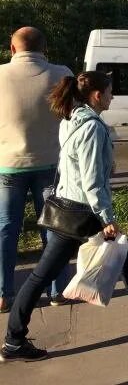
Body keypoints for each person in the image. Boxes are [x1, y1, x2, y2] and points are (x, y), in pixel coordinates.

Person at [0, 72, 128, 362]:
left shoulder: (70, 118)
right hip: (85, 212)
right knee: (118, 263)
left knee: (50, 274)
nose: (112, 96)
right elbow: (92, 182)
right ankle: (13, 340)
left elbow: (75, 165)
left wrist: (106, 164)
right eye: (109, 92)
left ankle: (14, 339)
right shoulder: (92, 127)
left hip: (68, 206)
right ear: (96, 96)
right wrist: (107, 218)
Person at [0, 27, 71, 313]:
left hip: (8, 164)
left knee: (6, 230)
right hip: (52, 165)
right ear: (45, 48)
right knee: (54, 229)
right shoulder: (62, 73)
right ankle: (57, 291)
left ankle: (4, 294)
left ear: (12, 48)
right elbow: (72, 115)